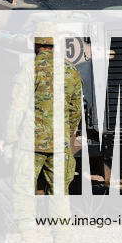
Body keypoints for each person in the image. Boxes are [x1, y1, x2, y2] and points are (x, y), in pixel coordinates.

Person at [33, 38, 83, 195]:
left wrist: (10, 138)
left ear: (36, 45)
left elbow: (17, 107)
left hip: (32, 143)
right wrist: (68, 134)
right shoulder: (71, 70)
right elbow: (76, 109)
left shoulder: (29, 69)